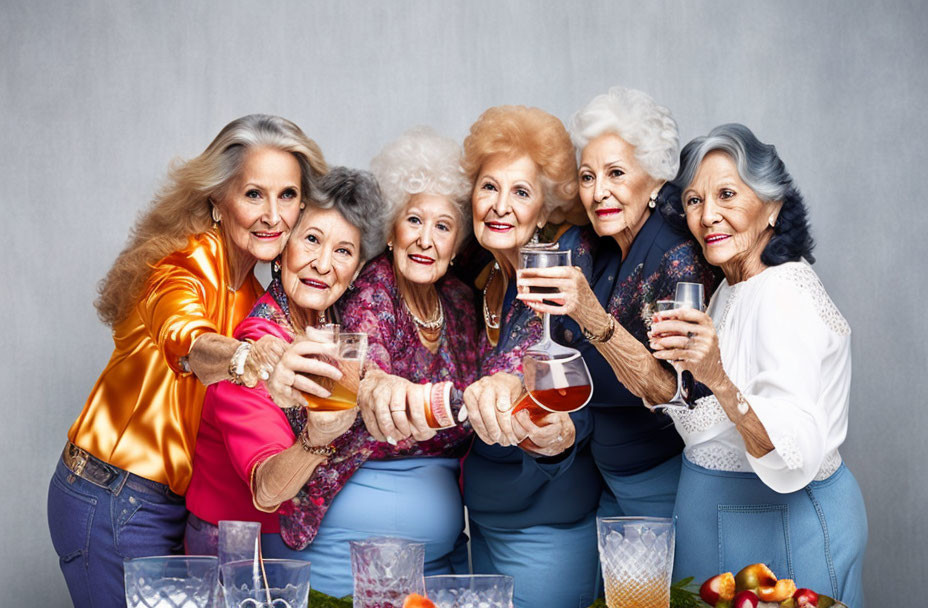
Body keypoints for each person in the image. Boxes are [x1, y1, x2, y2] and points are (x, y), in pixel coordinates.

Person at [47, 114, 326, 608]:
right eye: (253, 194)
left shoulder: (256, 295)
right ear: (218, 201)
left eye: (287, 196)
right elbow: (188, 342)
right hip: (113, 497)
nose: (273, 216)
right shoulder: (180, 264)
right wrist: (249, 357)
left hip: (174, 505)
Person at [184, 163, 474, 598]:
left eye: (343, 251)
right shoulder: (259, 344)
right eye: (312, 241)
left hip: (287, 550)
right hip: (239, 552)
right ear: (282, 249)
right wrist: (317, 441)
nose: (323, 264)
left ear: (358, 270)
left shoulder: (333, 327)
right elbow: (266, 490)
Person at [649, 124, 867, 605]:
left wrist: (716, 377)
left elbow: (793, 450)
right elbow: (713, 421)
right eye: (693, 200)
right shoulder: (732, 287)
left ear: (772, 206)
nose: (709, 216)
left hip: (783, 528)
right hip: (729, 521)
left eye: (727, 194)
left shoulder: (786, 291)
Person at [516, 86, 718, 521]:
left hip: (666, 483)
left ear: (656, 179)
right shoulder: (597, 249)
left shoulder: (677, 257)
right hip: (606, 482)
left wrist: (591, 317)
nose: (599, 192)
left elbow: (678, 392)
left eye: (616, 174)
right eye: (588, 177)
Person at [460, 105, 602, 608]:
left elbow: (573, 379)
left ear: (545, 210)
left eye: (521, 192)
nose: (500, 205)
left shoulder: (565, 261)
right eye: (489, 187)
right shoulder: (486, 274)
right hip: (484, 523)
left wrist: (553, 426)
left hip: (546, 526)